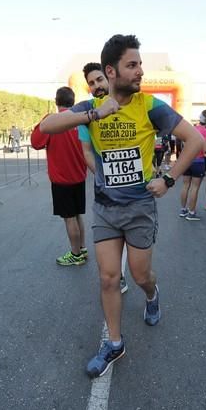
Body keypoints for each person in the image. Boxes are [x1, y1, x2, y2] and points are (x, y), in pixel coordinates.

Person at [40, 34, 202, 378]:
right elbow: (47, 127)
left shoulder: (149, 106)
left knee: (140, 275)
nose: (140, 71)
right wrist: (93, 116)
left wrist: (169, 179)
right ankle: (115, 344)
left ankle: (152, 292)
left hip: (140, 207)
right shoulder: (89, 108)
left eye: (140, 64)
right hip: (106, 208)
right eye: (133, 65)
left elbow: (196, 140)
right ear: (112, 71)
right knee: (109, 277)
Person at [81, 62, 129, 294]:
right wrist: (102, 177)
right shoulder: (88, 111)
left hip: (134, 191)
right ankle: (117, 276)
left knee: (131, 241)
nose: (96, 86)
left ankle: (125, 276)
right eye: (91, 83)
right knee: (112, 239)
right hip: (105, 191)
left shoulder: (131, 104)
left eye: (99, 79)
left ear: (109, 77)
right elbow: (86, 151)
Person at [31, 87, 88, 266]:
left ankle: (75, 253)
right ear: (73, 101)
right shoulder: (80, 120)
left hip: (62, 179)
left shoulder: (52, 121)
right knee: (78, 215)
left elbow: (35, 142)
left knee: (69, 218)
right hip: (79, 176)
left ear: (56, 102)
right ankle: (82, 248)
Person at [178, 109, 206, 221]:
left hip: (187, 160)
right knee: (195, 188)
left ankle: (183, 210)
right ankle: (191, 213)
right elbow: (205, 149)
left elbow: (184, 143)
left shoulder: (192, 128)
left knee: (185, 185)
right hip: (198, 161)